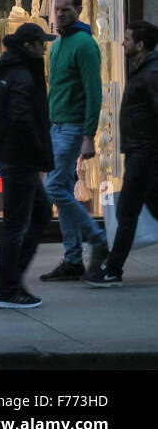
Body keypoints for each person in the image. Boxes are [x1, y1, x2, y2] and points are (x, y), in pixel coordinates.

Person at [40, 0, 110, 281]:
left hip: (71, 128)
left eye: (65, 10)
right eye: (57, 9)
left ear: (78, 10)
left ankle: (96, 237)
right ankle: (72, 258)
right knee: (62, 189)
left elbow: (94, 93)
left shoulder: (84, 43)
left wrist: (88, 135)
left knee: (54, 188)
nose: (59, 14)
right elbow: (56, 88)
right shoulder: (57, 44)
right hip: (57, 126)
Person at [0, 22, 57, 309]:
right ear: (29, 46)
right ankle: (7, 288)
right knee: (16, 223)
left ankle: (10, 276)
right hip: (20, 159)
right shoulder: (21, 75)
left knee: (39, 215)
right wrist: (39, 153)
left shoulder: (11, 69)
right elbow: (21, 119)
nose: (44, 47)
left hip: (15, 158)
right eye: (41, 43)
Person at [86, 20, 158, 287]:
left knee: (127, 211)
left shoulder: (151, 73)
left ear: (140, 45)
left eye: (127, 39)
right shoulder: (143, 69)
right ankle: (112, 268)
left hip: (145, 153)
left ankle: (113, 269)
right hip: (142, 151)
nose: (122, 42)